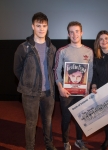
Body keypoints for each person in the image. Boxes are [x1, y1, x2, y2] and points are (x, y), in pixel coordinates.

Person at [14, 12, 57, 150]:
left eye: (44, 25)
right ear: (32, 26)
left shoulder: (52, 48)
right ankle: (30, 147)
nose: (41, 28)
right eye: (38, 25)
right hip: (30, 93)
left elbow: (53, 69)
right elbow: (17, 69)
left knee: (48, 121)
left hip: (48, 93)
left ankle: (49, 145)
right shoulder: (24, 48)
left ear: (47, 27)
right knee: (31, 123)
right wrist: (28, 82)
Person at [54, 21, 93, 150]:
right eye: (71, 32)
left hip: (82, 92)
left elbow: (90, 71)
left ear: (81, 33)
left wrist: (87, 88)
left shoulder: (89, 51)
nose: (74, 34)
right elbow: (56, 70)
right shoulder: (62, 51)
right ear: (68, 34)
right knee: (66, 118)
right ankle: (66, 142)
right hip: (67, 92)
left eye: (77, 31)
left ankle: (79, 140)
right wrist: (60, 88)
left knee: (81, 117)